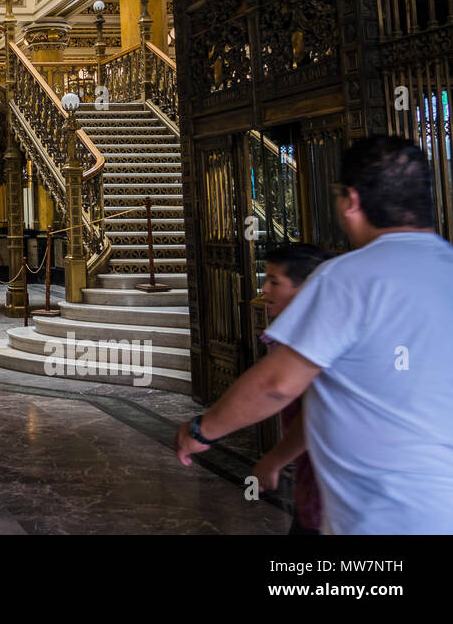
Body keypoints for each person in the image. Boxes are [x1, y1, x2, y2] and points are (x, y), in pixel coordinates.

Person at [174, 136, 453, 534]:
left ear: (351, 201)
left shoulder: (347, 277)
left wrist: (202, 431)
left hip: (381, 517)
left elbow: (276, 383)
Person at [251, 243, 332, 535]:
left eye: (274, 282)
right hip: (316, 488)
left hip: (332, 494)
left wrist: (202, 432)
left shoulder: (311, 343)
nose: (263, 289)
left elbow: (315, 416)